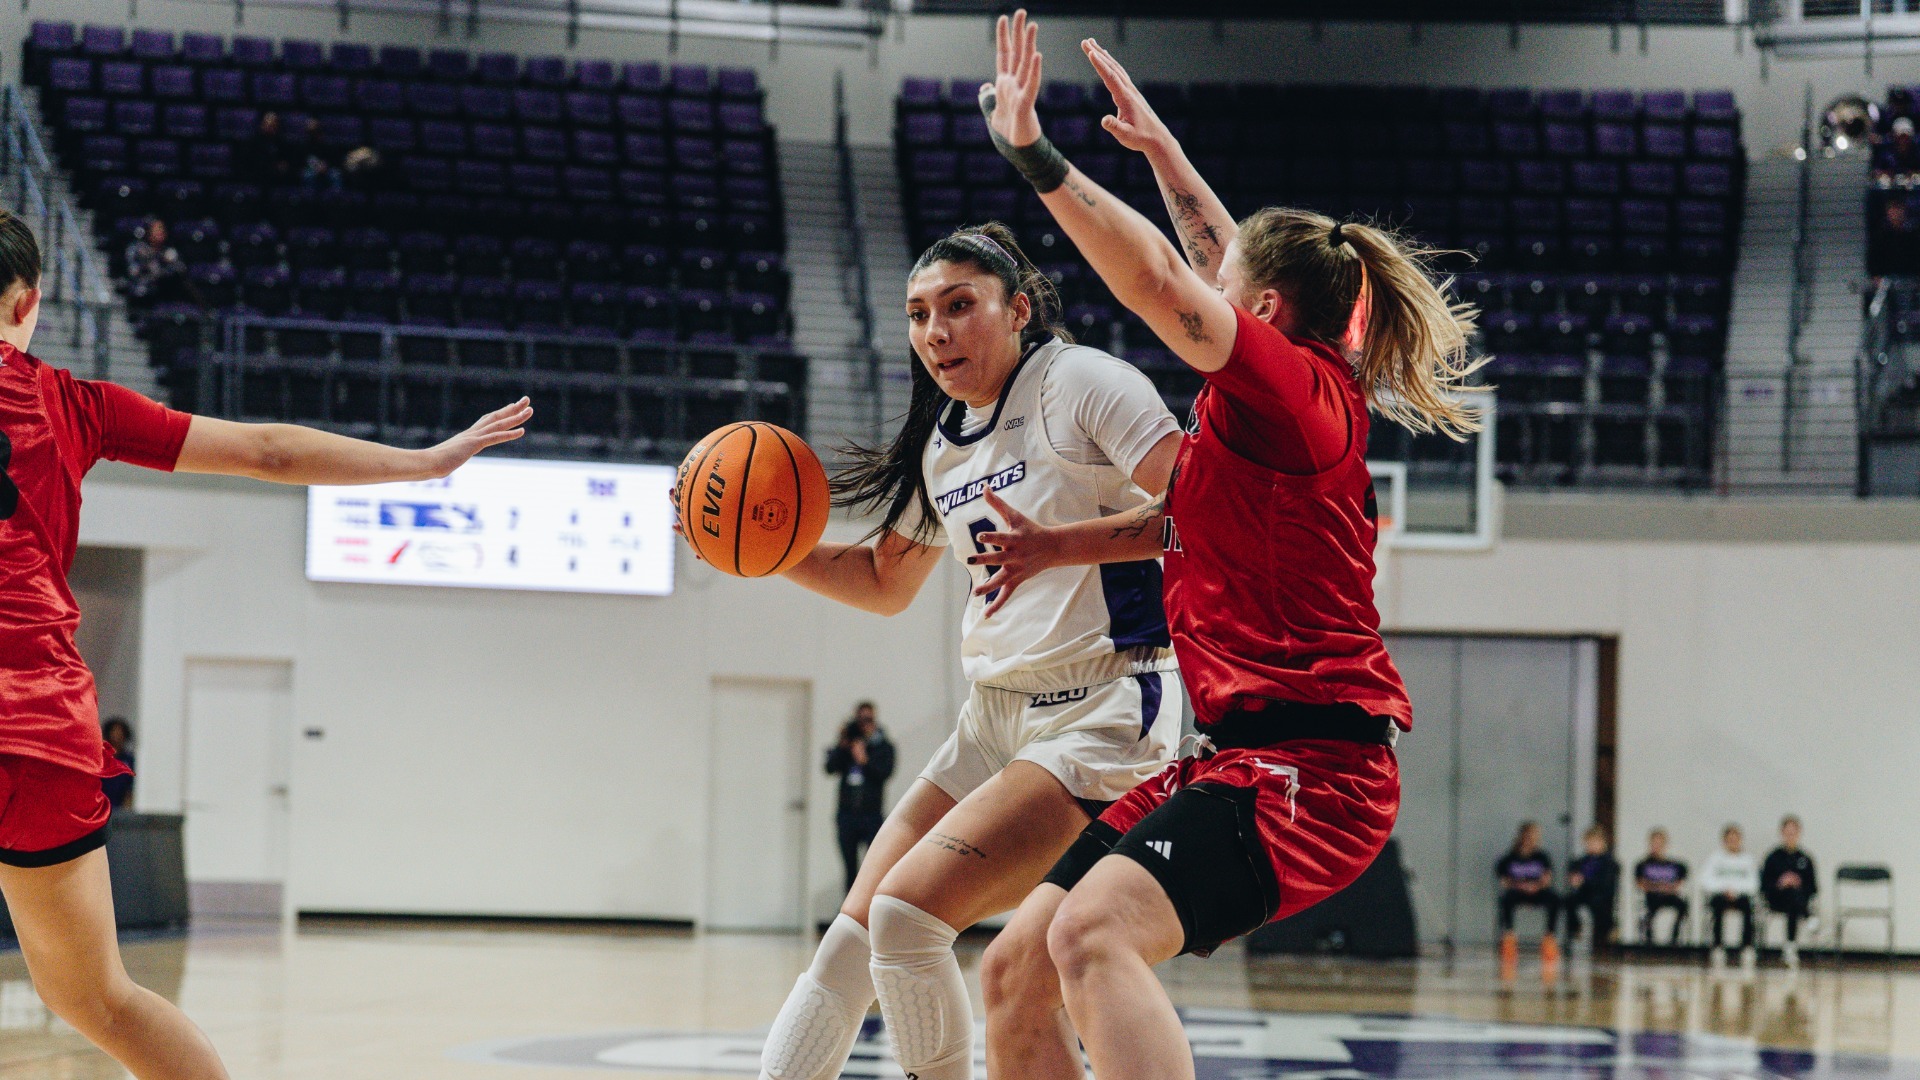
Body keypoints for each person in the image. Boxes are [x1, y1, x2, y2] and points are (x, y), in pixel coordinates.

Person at [960, 17, 1483, 1080]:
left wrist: (1037, 158)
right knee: (1016, 968)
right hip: (1236, 755)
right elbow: (1214, 259)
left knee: (1089, 934)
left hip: (1316, 767)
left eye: (1231, 284)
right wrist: (1161, 152)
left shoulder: (1297, 398)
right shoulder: (1262, 405)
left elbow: (1163, 279)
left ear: (1267, 311)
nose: (1213, 278)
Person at [0, 207, 531, 1080]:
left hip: (37, 715)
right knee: (98, 1000)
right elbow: (270, 452)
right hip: (43, 727)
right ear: (29, 302)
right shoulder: (72, 404)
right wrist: (424, 463)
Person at [721, 220, 1185, 1080]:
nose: (936, 331)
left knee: (906, 919)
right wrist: (760, 549)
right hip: (993, 720)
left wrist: (1061, 545)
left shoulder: (1082, 383)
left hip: (1104, 708)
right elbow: (883, 582)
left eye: (959, 306)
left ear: (1018, 310)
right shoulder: (946, 441)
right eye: (919, 313)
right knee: (850, 943)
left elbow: (1206, 509)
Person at [824, 702, 896, 894]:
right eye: (860, 719)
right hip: (847, 815)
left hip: (871, 816)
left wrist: (864, 760)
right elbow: (830, 768)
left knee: (874, 867)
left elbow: (885, 773)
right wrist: (843, 745)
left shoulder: (884, 746)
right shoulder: (848, 744)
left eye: (868, 719)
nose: (864, 724)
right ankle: (850, 913)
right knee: (849, 867)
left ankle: (870, 911)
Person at [1495, 821, 1559, 973]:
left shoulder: (1542, 857)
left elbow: (1547, 879)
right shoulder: (1509, 858)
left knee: (1555, 898)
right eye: (1528, 835)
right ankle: (1509, 937)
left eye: (1535, 835)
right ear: (1521, 836)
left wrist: (1535, 886)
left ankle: (1549, 938)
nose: (1532, 839)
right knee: (1506, 899)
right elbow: (1504, 882)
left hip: (1537, 891)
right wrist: (1521, 886)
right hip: (1517, 891)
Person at [1700, 823, 1758, 968]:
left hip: (1741, 896)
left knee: (1748, 907)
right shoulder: (1715, 858)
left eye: (1735, 839)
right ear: (1724, 841)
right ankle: (1718, 946)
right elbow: (1704, 880)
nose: (1733, 842)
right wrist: (1724, 889)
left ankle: (1747, 947)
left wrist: (1736, 890)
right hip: (1721, 895)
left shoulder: (1748, 859)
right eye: (1729, 839)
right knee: (1717, 905)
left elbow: (1754, 883)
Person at [1762, 815, 1817, 968]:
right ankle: (1809, 918)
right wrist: (1780, 883)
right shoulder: (1773, 857)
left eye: (1793, 832)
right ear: (1782, 833)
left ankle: (1790, 947)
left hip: (1797, 901)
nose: (1790, 836)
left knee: (1794, 896)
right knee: (1790, 894)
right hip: (1776, 899)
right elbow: (1764, 884)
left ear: (1799, 833)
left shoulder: (1805, 859)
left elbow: (1813, 887)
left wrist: (1797, 883)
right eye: (1787, 832)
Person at [1563, 823, 1620, 952]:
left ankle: (1608, 932)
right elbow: (1573, 874)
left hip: (1602, 896)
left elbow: (1605, 884)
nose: (1591, 845)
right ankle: (1576, 927)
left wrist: (1584, 880)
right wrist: (1574, 879)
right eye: (1588, 842)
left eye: (1594, 842)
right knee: (1568, 900)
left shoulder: (1609, 862)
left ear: (1602, 843)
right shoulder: (1581, 861)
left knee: (1598, 906)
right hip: (1585, 894)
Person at [1635, 827, 1690, 945]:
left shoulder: (1675, 865)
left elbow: (1680, 883)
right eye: (1654, 842)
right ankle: (1649, 940)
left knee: (1682, 906)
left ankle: (1674, 939)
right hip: (1652, 896)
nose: (1657, 845)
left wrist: (1668, 888)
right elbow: (1641, 884)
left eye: (1660, 842)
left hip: (1670, 895)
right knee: (1649, 911)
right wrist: (1657, 888)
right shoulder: (1643, 864)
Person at [122, 219, 189, 309]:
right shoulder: (136, 249)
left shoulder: (168, 251)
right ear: (148, 232)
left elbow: (181, 269)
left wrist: (170, 263)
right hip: (142, 294)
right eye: (157, 229)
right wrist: (158, 262)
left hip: (163, 294)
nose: (160, 232)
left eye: (162, 229)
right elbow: (134, 272)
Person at [99, 718, 135, 810]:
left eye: (120, 732)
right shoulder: (100, 758)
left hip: (120, 807)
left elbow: (130, 787)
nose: (117, 735)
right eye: (114, 731)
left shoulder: (129, 760)